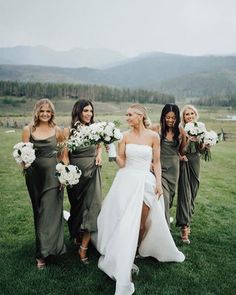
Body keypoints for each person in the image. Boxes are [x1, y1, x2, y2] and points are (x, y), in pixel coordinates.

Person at [96, 104, 185, 295]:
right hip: (126, 182)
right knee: (125, 221)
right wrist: (111, 151)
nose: (126, 117)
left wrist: (159, 183)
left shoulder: (153, 136)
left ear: (140, 116)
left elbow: (157, 161)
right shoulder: (124, 136)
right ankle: (125, 256)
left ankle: (135, 250)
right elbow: (122, 163)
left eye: (130, 114)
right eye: (126, 114)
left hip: (145, 182)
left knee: (141, 225)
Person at [22, 98, 66, 269]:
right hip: (34, 176)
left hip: (53, 176)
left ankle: (43, 254)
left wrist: (63, 175)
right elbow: (23, 152)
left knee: (50, 212)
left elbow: (62, 155)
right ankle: (44, 248)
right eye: (42, 111)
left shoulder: (58, 131)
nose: (45, 114)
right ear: (37, 112)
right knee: (39, 212)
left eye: (48, 111)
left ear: (52, 113)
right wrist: (24, 165)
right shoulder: (28, 130)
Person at [62, 99, 102, 264]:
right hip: (76, 175)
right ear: (78, 111)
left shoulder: (95, 129)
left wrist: (99, 155)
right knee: (77, 208)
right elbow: (65, 155)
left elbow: (100, 145)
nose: (89, 114)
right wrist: (67, 172)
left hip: (93, 171)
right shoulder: (68, 131)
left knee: (94, 207)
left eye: (91, 111)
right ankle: (77, 234)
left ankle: (83, 248)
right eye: (85, 111)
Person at [151, 103, 186, 227]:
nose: (170, 120)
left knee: (169, 198)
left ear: (177, 118)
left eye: (173, 117)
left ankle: (159, 221)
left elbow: (181, 151)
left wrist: (185, 142)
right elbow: (147, 145)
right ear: (163, 116)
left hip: (173, 169)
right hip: (159, 166)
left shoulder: (181, 131)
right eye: (167, 117)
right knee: (163, 198)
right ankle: (165, 229)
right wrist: (150, 162)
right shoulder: (156, 128)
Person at [176, 104, 203, 244]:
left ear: (195, 115)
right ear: (183, 117)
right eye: (187, 114)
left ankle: (188, 220)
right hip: (184, 162)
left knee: (193, 193)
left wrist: (204, 145)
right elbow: (178, 150)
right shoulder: (180, 129)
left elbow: (202, 151)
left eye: (192, 113)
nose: (190, 116)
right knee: (185, 194)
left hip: (195, 162)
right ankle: (184, 227)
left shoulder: (200, 129)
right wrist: (185, 141)